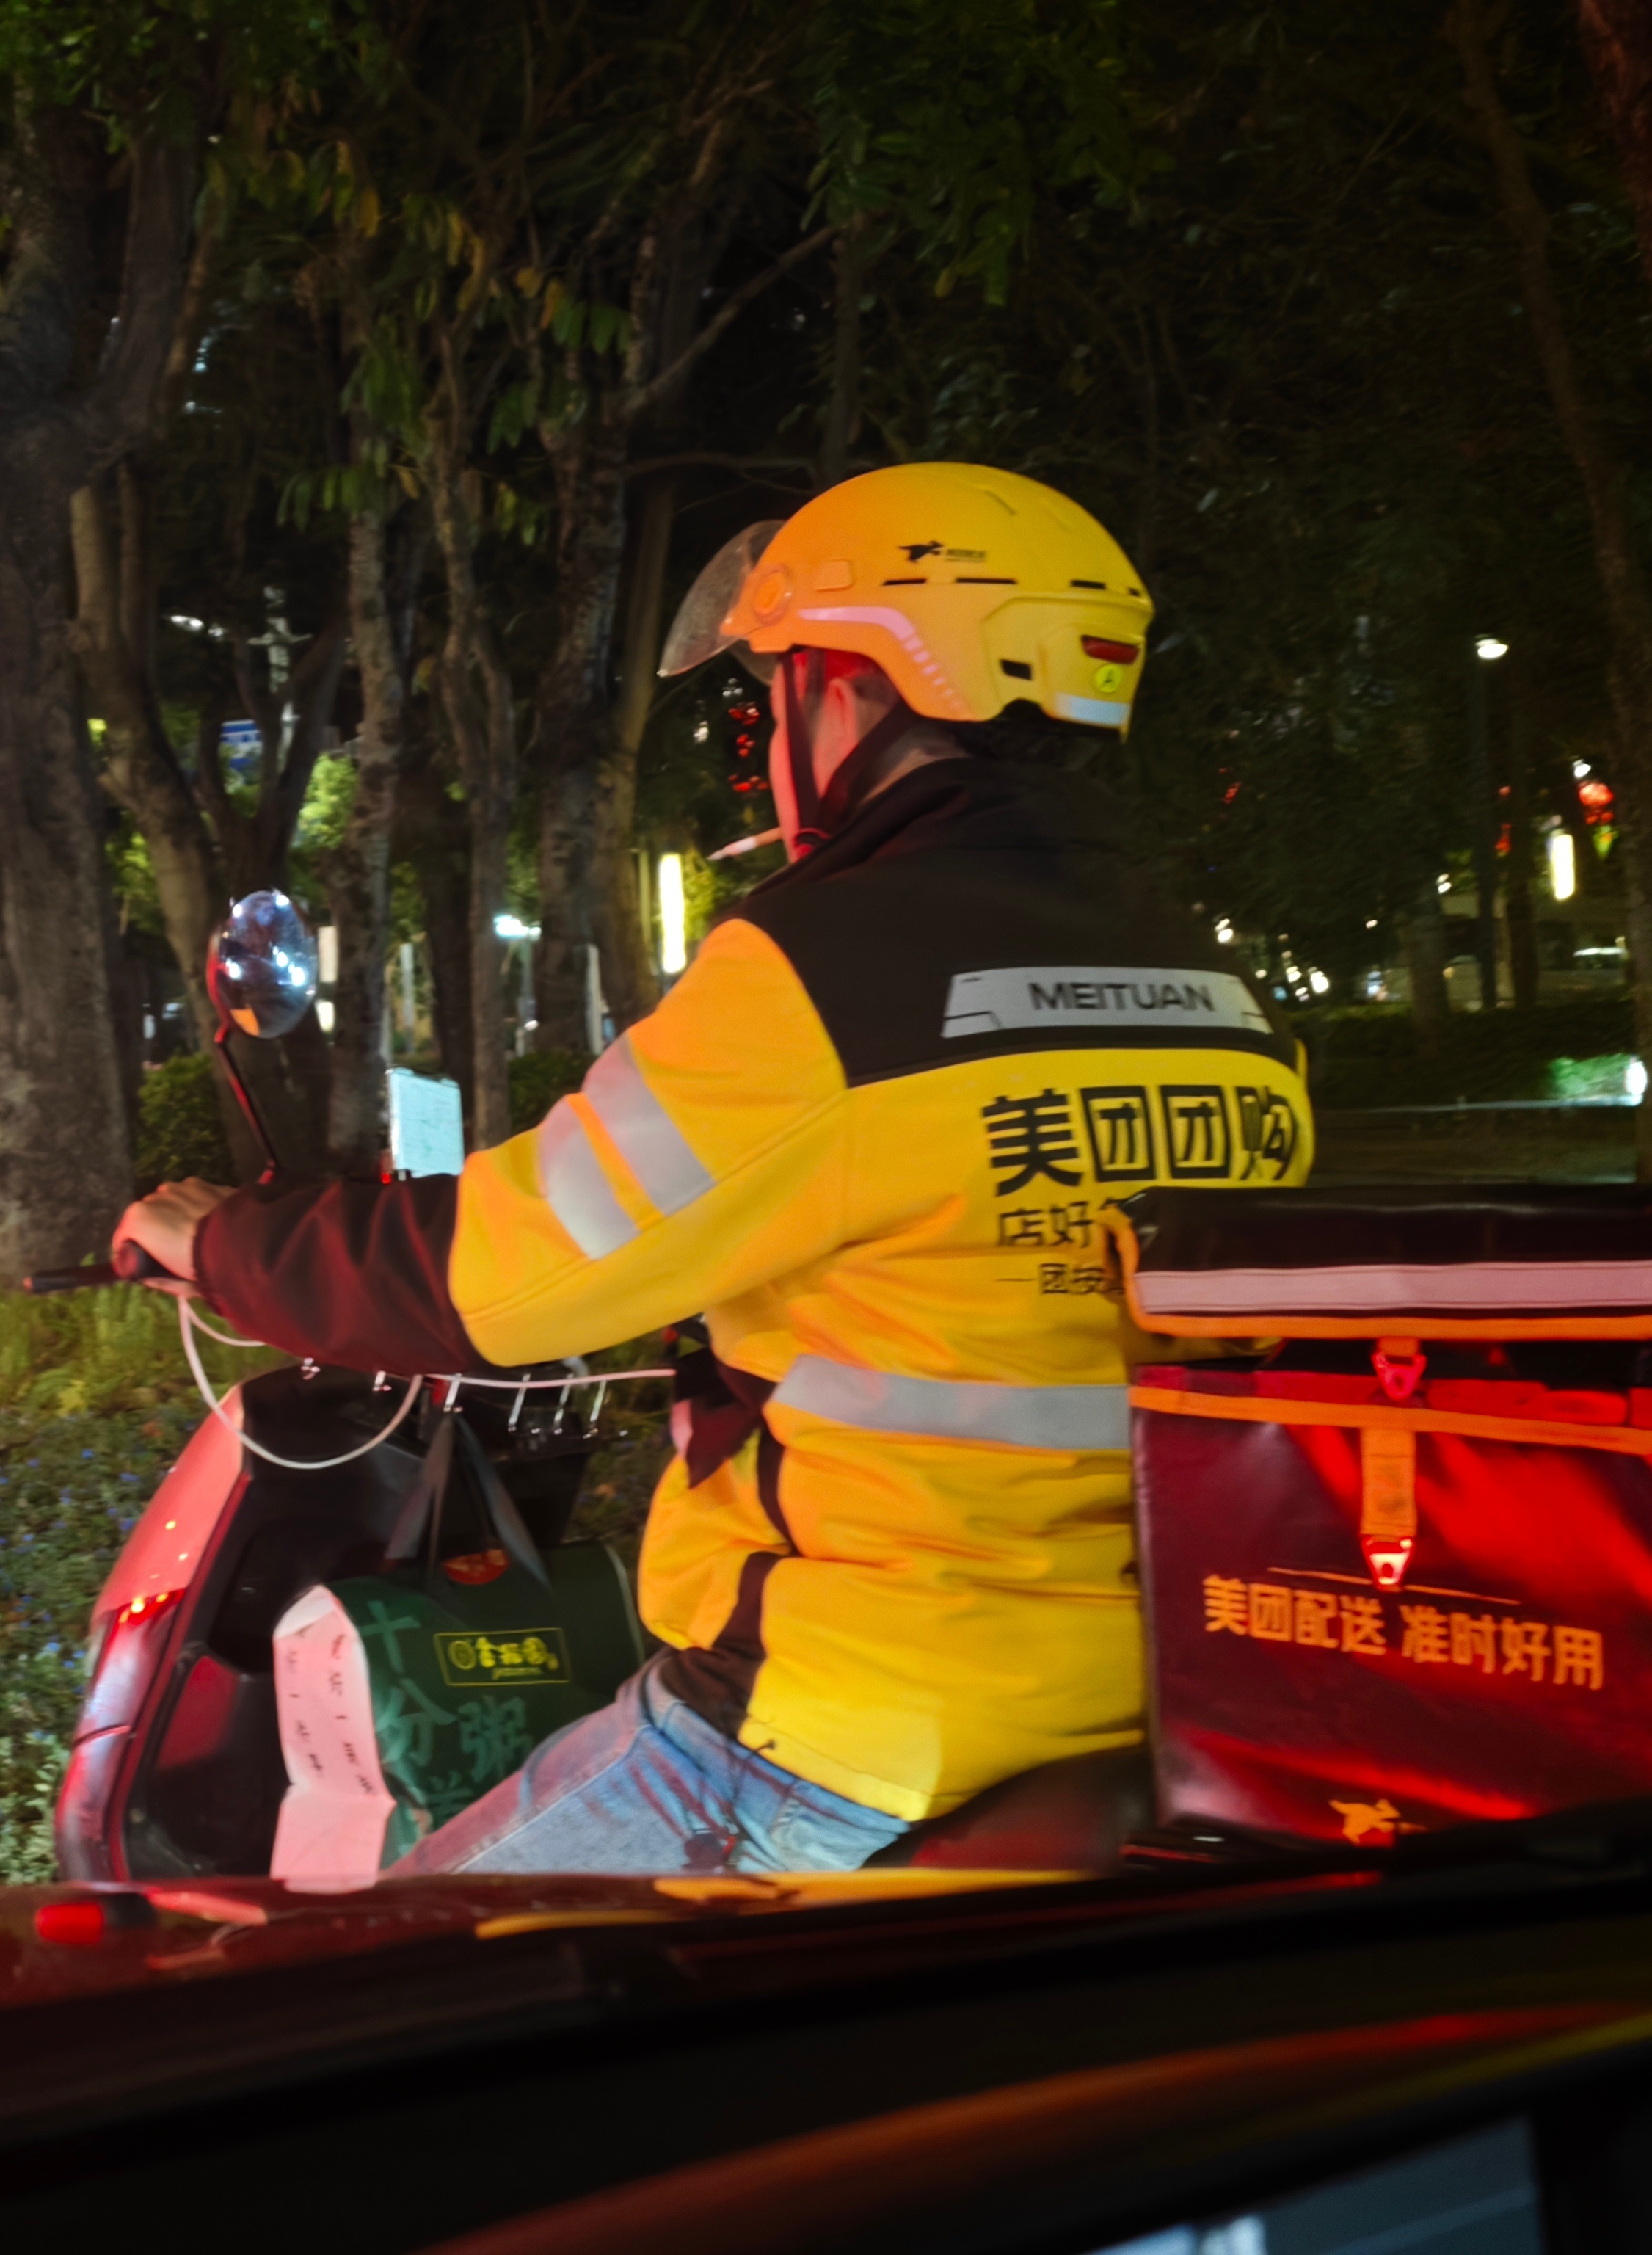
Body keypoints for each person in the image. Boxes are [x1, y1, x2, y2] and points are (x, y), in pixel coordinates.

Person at [117, 462, 1316, 1876]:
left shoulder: (824, 969)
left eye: (767, 698)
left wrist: (224, 1242)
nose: (763, 744)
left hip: (854, 1722)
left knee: (379, 1986)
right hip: (1154, 1692)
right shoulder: (1219, 988)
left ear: (841, 690)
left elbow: (507, 1274)